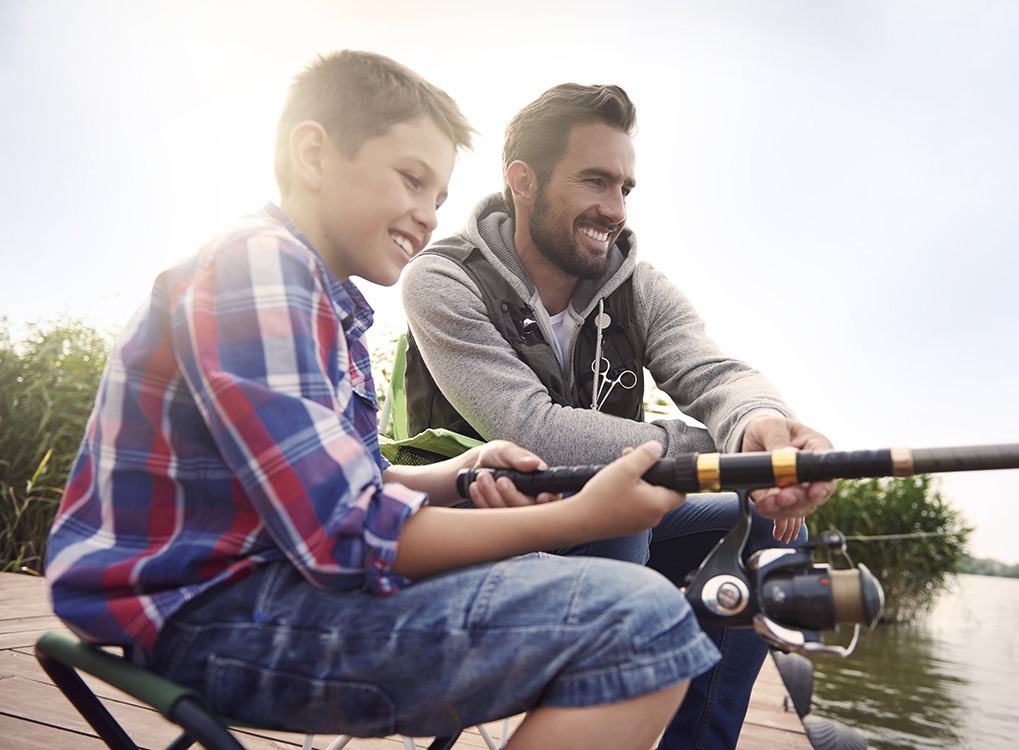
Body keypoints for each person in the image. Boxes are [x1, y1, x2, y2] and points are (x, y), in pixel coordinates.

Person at [44, 52, 722, 750]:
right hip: (214, 619)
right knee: (642, 624)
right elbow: (345, 536)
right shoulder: (260, 269)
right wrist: (579, 517)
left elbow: (346, 487)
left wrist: (459, 473)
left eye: (438, 196)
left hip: (258, 596)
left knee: (634, 612)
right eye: (410, 179)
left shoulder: (318, 298)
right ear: (313, 153)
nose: (428, 216)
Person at [401, 82, 835, 749]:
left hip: (597, 512)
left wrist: (760, 426)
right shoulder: (440, 279)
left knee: (770, 533)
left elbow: (712, 372)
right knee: (622, 511)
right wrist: (701, 450)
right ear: (523, 181)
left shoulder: (640, 285)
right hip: (469, 519)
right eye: (595, 182)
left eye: (625, 188)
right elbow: (531, 428)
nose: (614, 209)